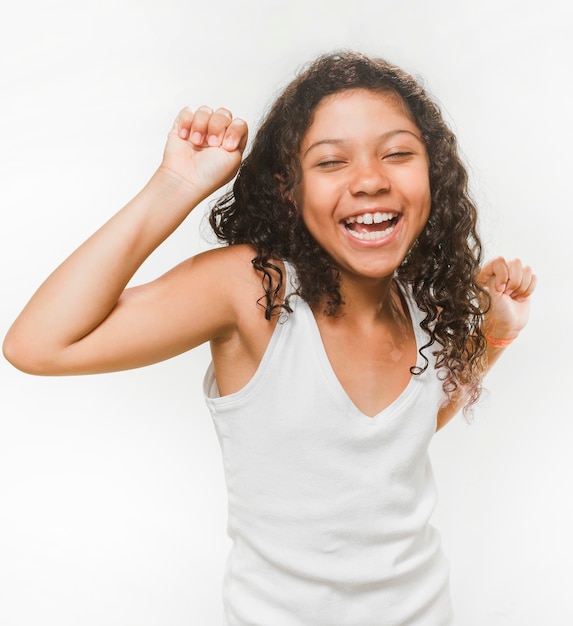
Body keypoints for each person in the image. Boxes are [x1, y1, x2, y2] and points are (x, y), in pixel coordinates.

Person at [3, 51, 536, 625]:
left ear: (431, 172)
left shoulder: (416, 305)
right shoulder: (257, 292)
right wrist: (175, 186)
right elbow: (38, 344)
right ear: (289, 188)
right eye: (331, 162)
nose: (371, 179)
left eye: (399, 153)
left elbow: (405, 433)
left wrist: (494, 337)